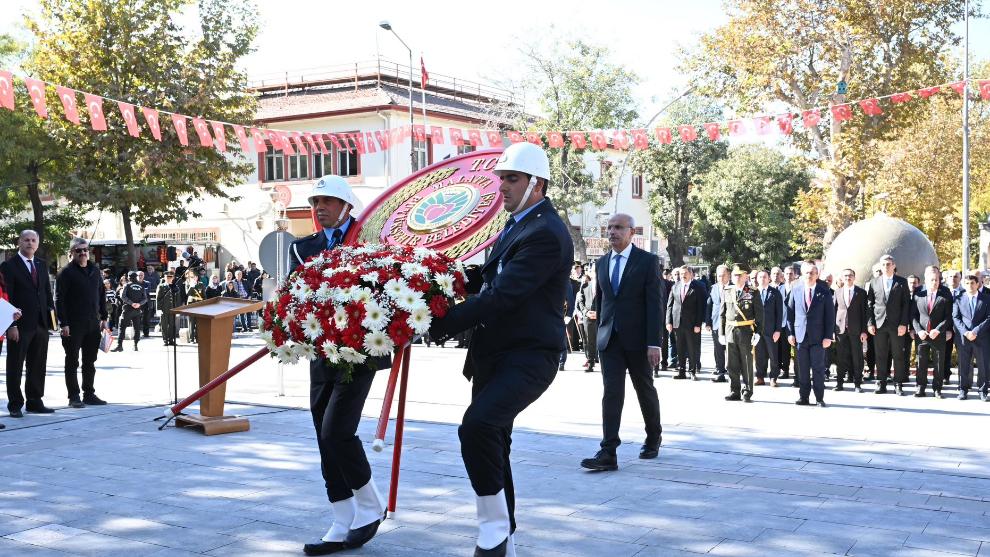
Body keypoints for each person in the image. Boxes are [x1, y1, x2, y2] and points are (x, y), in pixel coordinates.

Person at [429, 142, 572, 557]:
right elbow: (486, 279)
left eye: (511, 179)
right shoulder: (515, 224)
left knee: (478, 427)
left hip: (528, 356)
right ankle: (502, 528)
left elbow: (503, 296)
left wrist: (440, 324)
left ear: (537, 184)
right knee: (495, 440)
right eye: (501, 178)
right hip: (495, 354)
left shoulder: (545, 232)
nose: (502, 186)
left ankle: (492, 531)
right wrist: (432, 281)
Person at [294, 176, 389, 556]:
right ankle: (341, 516)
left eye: (329, 200)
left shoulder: (369, 242)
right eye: (316, 200)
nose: (320, 207)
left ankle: (370, 503)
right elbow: (296, 293)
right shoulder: (304, 248)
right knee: (322, 432)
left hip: (361, 350)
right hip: (322, 349)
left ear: (347, 206)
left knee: (337, 430)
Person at [580, 213, 663, 471]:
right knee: (612, 394)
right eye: (609, 228)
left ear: (632, 232)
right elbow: (603, 300)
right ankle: (608, 451)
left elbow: (654, 303)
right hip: (610, 341)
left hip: (639, 341)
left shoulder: (648, 262)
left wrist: (654, 343)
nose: (612, 232)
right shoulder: (602, 263)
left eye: (618, 228)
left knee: (644, 390)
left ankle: (653, 437)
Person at [2, 230, 56, 417]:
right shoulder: (8, 266)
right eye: (26, 240)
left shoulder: (41, 265)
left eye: (34, 240)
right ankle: (15, 404)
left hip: (41, 324)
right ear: (19, 242)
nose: (30, 243)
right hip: (19, 325)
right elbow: (6, 298)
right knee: (15, 365)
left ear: (38, 244)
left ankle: (35, 401)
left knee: (38, 364)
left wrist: (52, 322)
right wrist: (11, 326)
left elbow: (47, 293)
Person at [55, 238, 109, 408]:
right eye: (78, 250)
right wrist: (63, 323)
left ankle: (89, 393)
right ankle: (74, 396)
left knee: (90, 361)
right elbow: (59, 299)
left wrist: (104, 318)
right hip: (72, 324)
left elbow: (101, 295)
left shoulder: (95, 270)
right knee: (72, 360)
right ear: (72, 253)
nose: (83, 253)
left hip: (93, 323)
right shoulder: (65, 272)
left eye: (85, 249)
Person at [787, 261, 835, 407]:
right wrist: (790, 333)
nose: (810, 275)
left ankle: (819, 398)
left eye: (813, 273)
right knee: (802, 368)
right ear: (802, 274)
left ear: (817, 275)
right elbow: (790, 313)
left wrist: (828, 336)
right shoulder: (796, 289)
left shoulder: (824, 291)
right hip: (800, 336)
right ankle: (804, 397)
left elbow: (830, 316)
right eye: (807, 273)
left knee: (818, 369)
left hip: (819, 337)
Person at [866, 255, 912, 395]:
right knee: (880, 355)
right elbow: (869, 305)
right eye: (884, 264)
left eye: (889, 264)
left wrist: (904, 324)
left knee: (898, 355)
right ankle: (881, 383)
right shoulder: (874, 282)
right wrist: (870, 323)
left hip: (897, 325)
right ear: (881, 266)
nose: (886, 266)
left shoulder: (902, 282)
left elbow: (906, 305)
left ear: (893, 266)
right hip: (879, 324)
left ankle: (898, 384)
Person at [720, 265, 763, 402]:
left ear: (746, 276)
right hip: (730, 331)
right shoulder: (727, 291)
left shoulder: (752, 292)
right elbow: (722, 314)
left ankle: (747, 391)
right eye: (735, 275)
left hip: (746, 331)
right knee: (731, 364)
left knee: (746, 363)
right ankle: (734, 390)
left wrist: (758, 332)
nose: (737, 277)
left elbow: (759, 315)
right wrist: (721, 333)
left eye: (740, 275)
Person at [912, 266, 952, 398]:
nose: (934, 282)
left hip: (938, 334)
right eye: (932, 280)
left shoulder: (945, 292)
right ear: (926, 279)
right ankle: (920, 387)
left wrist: (939, 330)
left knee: (939, 362)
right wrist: (918, 330)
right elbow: (913, 315)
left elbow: (949, 316)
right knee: (921, 362)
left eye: (937, 279)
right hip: (922, 334)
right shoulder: (918, 292)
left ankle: (937, 388)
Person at [952, 274, 989, 401]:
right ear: (963, 284)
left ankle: (983, 390)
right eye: (967, 283)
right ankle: (963, 389)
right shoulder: (958, 299)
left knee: (983, 365)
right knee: (964, 365)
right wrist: (966, 332)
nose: (970, 286)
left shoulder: (986, 299)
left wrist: (976, 331)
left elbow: (989, 318)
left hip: (982, 337)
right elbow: (956, 318)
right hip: (964, 338)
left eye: (972, 283)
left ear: (978, 284)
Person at [666, 266, 705, 380]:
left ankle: (692, 371)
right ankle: (681, 371)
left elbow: (700, 307)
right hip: (678, 323)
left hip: (692, 324)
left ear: (691, 274)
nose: (683, 275)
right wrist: (669, 321)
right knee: (680, 348)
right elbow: (670, 305)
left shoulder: (697, 287)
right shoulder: (675, 286)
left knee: (692, 348)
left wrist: (698, 324)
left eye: (685, 273)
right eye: (681, 273)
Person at [833, 269, 868, 392]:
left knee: (857, 357)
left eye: (850, 275)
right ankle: (839, 383)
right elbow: (833, 311)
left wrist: (864, 331)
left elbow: (865, 313)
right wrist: (832, 330)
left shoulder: (861, 293)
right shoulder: (837, 292)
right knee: (840, 357)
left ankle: (857, 384)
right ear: (842, 278)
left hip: (856, 330)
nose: (848, 277)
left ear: (854, 277)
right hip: (840, 330)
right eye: (846, 275)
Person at [754, 269, 783, 387]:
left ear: (769, 278)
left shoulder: (775, 293)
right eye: (760, 277)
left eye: (765, 277)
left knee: (773, 355)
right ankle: (760, 377)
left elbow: (779, 313)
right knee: (759, 355)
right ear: (757, 279)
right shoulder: (752, 292)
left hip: (771, 330)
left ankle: (773, 377)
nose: (762, 279)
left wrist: (778, 330)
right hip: (757, 330)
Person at [705, 265, 730, 383]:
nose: (720, 278)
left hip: (731, 324)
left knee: (731, 349)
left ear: (728, 275)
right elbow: (709, 305)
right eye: (719, 275)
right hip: (716, 323)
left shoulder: (734, 287)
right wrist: (708, 322)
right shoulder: (713, 288)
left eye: (723, 275)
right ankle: (720, 371)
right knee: (718, 349)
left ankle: (732, 371)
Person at [112, 272, 147, 352]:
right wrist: (138, 304)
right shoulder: (141, 286)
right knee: (137, 328)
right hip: (137, 310)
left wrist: (131, 303)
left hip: (127, 309)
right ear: (136, 277)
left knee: (122, 327)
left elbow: (122, 296)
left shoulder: (127, 285)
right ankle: (135, 345)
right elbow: (145, 298)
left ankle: (119, 345)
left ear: (129, 277)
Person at [575, 270, 599, 373]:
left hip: (601, 317)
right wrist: (586, 312)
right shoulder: (584, 286)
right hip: (588, 318)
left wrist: (599, 313)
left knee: (604, 341)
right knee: (590, 342)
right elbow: (580, 302)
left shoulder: (604, 285)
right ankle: (590, 363)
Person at [777, 265, 796, 381]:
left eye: (791, 274)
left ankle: (797, 372)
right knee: (782, 348)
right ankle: (784, 370)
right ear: (783, 275)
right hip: (782, 323)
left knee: (793, 349)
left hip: (794, 324)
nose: (789, 276)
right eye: (787, 274)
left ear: (794, 275)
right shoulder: (779, 289)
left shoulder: (798, 287)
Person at [156, 271, 179, 346]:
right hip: (164, 309)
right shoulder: (161, 286)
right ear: (165, 278)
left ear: (173, 278)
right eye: (167, 277)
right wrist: (158, 309)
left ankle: (171, 340)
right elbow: (158, 298)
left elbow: (178, 299)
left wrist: (178, 309)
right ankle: (165, 340)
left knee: (172, 325)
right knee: (164, 325)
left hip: (172, 309)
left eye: (171, 277)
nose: (169, 279)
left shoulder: (175, 287)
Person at [184, 270, 205, 344]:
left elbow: (204, 296)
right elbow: (187, 293)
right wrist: (191, 286)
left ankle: (198, 338)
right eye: (193, 277)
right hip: (191, 306)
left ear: (197, 277)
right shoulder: (188, 284)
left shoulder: (201, 284)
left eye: (195, 277)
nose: (194, 278)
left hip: (199, 306)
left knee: (198, 323)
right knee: (191, 323)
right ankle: (191, 339)